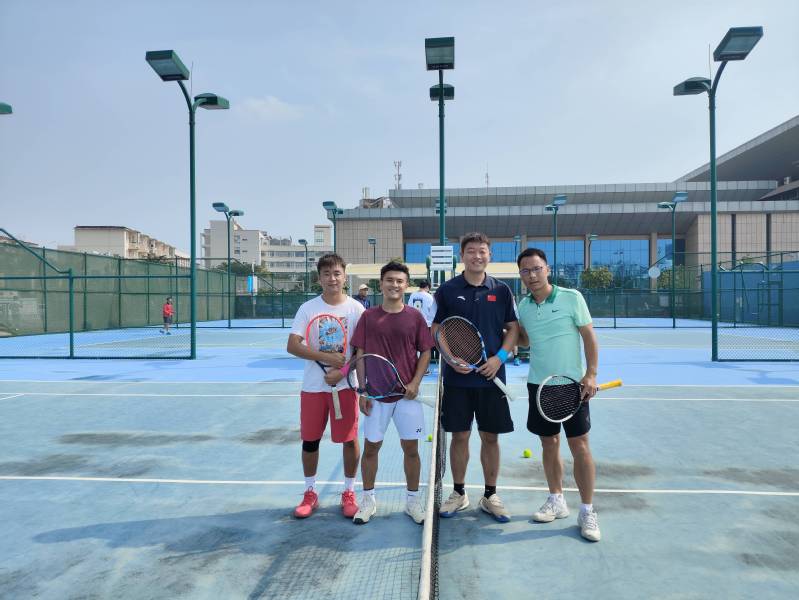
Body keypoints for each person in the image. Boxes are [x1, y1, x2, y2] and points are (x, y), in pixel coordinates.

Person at [432, 232, 519, 522]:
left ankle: (490, 495)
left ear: (489, 255)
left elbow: (513, 329)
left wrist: (499, 358)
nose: (477, 256)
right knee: (460, 435)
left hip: (492, 378)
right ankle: (459, 493)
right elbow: (437, 329)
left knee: (490, 437)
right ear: (462, 256)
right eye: (471, 251)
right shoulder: (447, 290)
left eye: (482, 251)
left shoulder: (502, 290)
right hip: (457, 380)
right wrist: (450, 358)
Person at [516, 247, 601, 542]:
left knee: (580, 446)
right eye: (525, 271)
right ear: (521, 275)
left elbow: (588, 335)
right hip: (539, 385)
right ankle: (557, 499)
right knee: (549, 444)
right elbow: (524, 339)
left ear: (547, 269)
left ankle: (587, 510)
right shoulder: (524, 306)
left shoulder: (571, 297)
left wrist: (591, 374)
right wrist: (503, 332)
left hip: (571, 385)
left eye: (536, 268)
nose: (532, 275)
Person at [343, 261, 434, 525]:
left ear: (406, 285)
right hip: (376, 397)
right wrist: (362, 390)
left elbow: (425, 352)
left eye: (400, 281)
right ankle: (368, 500)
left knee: (411, 449)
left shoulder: (415, 317)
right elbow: (360, 354)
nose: (395, 285)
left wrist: (415, 383)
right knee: (371, 448)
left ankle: (412, 502)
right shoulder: (368, 317)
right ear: (381, 284)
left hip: (407, 397)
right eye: (390, 280)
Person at [287, 253, 364, 519]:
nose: (332, 278)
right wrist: (326, 358)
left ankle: (349, 492)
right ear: (319, 278)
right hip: (313, 388)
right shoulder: (308, 309)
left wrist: (342, 371)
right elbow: (293, 345)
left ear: (344, 276)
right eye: (327, 274)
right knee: (310, 441)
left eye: (337, 273)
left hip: (345, 387)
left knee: (349, 440)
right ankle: (310, 492)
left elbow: (361, 350)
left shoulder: (356, 309)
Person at [408, 280, 438, 373]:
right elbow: (433, 312)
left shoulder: (412, 295)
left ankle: (414, 368)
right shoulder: (429, 296)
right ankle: (424, 369)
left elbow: (409, 309)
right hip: (426, 325)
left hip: (413, 325)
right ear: (427, 287)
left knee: (414, 347)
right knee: (425, 349)